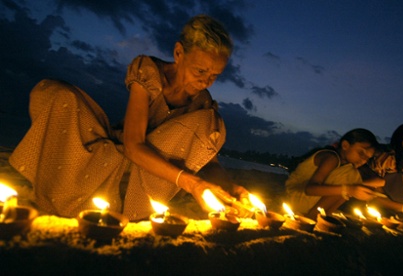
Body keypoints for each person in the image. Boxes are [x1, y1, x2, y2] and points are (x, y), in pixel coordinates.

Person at [9, 15, 250, 221]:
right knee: (56, 94)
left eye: (215, 75)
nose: (206, 80)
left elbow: (210, 162)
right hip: (122, 150)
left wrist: (229, 188)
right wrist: (192, 184)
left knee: (210, 122)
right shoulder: (150, 73)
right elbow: (133, 146)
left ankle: (136, 208)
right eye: (201, 70)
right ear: (178, 53)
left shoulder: (202, 104)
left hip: (155, 172)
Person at [285, 128, 384, 220]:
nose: (363, 160)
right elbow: (309, 189)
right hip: (294, 197)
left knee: (351, 180)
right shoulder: (331, 158)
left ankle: (323, 216)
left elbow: (381, 182)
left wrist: (356, 189)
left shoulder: (345, 165)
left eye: (367, 158)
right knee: (349, 179)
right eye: (361, 153)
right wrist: (350, 189)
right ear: (345, 145)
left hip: (304, 200)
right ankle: (312, 217)